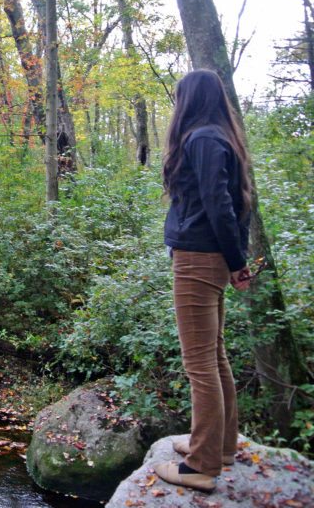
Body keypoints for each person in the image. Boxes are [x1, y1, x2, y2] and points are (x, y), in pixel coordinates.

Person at [157, 69, 253, 492]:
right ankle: (222, 447)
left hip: (198, 259)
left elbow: (220, 205)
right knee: (215, 357)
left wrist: (237, 262)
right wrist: (235, 261)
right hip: (210, 257)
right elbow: (233, 203)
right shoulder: (219, 137)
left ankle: (200, 466)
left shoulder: (201, 139)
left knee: (200, 364)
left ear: (189, 101)